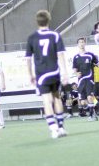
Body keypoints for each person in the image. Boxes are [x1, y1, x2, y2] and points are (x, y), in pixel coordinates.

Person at [25, 9, 69, 139]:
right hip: (54, 72)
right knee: (57, 98)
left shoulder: (32, 37)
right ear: (49, 19)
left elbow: (28, 59)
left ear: (37, 21)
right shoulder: (55, 35)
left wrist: (30, 74)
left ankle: (53, 128)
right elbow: (60, 55)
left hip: (41, 74)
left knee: (46, 101)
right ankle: (61, 127)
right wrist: (65, 72)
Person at [72, 37, 99, 121]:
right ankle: (93, 109)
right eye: (80, 42)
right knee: (83, 102)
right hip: (80, 81)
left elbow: (98, 64)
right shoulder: (75, 57)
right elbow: (74, 69)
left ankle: (91, 115)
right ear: (78, 44)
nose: (81, 43)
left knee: (90, 97)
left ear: (85, 43)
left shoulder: (90, 55)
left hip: (89, 78)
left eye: (83, 42)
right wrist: (76, 73)